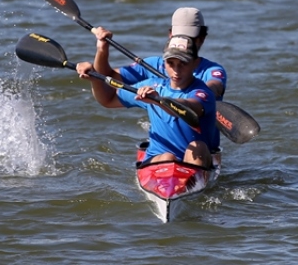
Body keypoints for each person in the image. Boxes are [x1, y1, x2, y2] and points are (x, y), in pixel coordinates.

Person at [76, 31, 217, 170]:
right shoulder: (152, 86)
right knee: (168, 157)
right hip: (158, 160)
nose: (176, 70)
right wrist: (95, 80)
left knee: (198, 147)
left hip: (193, 161)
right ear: (164, 63)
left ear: (195, 63)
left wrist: (158, 100)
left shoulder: (202, 93)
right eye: (171, 63)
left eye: (183, 63)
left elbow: (189, 107)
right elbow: (108, 100)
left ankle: (193, 179)